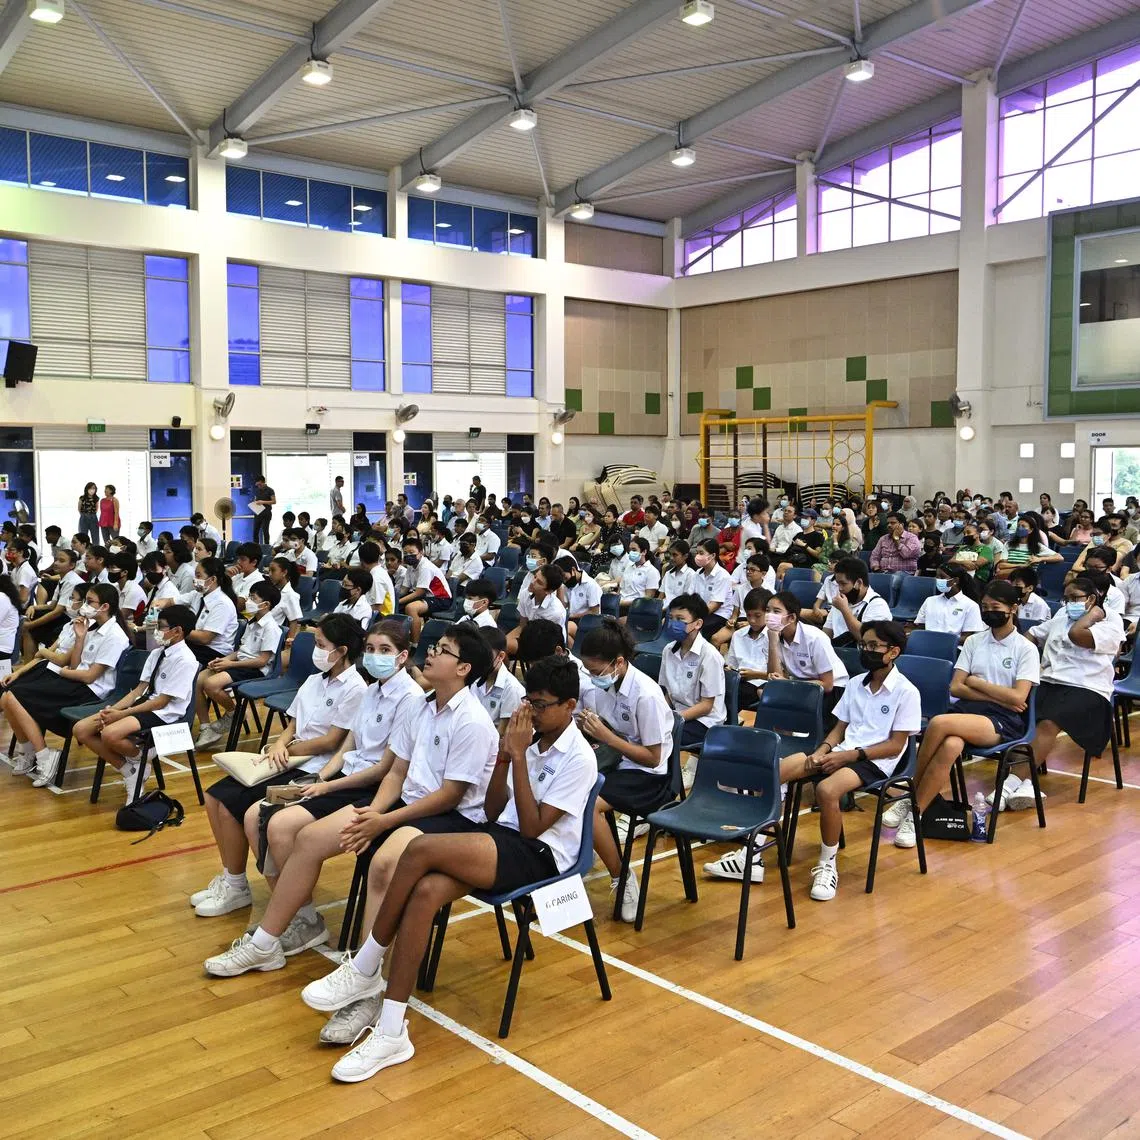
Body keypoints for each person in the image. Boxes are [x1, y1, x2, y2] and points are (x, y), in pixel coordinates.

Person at [317, 655, 595, 1083]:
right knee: (424, 893)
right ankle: (392, 1031)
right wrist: (505, 758)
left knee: (419, 849)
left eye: (541, 705)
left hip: (540, 855)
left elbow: (536, 827)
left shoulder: (578, 755)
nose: (531, 712)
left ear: (569, 705)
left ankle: (366, 964)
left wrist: (517, 757)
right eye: (528, 702)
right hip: (503, 836)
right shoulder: (529, 737)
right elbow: (492, 808)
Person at [200, 621, 429, 990]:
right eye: (370, 649)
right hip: (343, 779)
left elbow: (385, 769)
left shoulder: (410, 699)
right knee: (262, 815)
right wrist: (321, 778)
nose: (374, 656)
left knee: (282, 826)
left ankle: (272, 939)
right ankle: (300, 918)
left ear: (402, 656)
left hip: (371, 789)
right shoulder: (373, 691)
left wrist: (330, 785)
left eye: (384, 650)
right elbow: (347, 748)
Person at [190, 614, 368, 918]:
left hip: (316, 765)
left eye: (321, 644)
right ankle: (234, 882)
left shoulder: (355, 688)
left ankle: (273, 897)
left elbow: (332, 741)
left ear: (341, 651)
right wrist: (278, 744)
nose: (316, 649)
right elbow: (292, 725)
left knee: (240, 806)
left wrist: (288, 751)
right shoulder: (314, 680)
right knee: (215, 797)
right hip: (288, 757)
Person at [887, 580, 1040, 842]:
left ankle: (909, 790)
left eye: (996, 607)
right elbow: (956, 687)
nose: (989, 611)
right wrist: (997, 694)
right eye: (985, 607)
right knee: (950, 746)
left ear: (1013, 608)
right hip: (968, 710)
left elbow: (1018, 697)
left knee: (939, 724)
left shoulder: (1025, 648)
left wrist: (977, 682)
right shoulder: (974, 642)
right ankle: (916, 814)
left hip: (1003, 720)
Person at [783, 621, 920, 901]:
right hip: (843, 750)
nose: (866, 651)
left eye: (873, 646)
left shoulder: (907, 692)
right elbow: (839, 727)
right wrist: (822, 750)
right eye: (864, 645)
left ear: (892, 652)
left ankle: (827, 864)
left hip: (876, 759)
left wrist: (850, 756)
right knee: (784, 768)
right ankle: (755, 851)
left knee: (826, 790)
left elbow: (896, 745)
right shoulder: (857, 683)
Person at [576, 619, 673, 922]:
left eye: (596, 671)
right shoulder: (602, 685)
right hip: (616, 760)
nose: (592, 678)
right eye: (588, 671)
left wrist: (607, 738)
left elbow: (654, 758)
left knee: (587, 806)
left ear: (618, 662)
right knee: (563, 790)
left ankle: (622, 876)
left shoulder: (646, 695)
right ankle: (578, 859)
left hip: (648, 776)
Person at [1, 583, 131, 787]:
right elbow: (76, 663)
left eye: (89, 602)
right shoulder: (92, 627)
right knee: (9, 694)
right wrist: (80, 638)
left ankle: (45, 756)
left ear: (105, 606)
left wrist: (62, 671)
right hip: (74, 678)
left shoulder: (115, 636)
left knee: (16, 695)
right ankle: (30, 751)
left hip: (90, 691)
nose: (84, 606)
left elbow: (90, 677)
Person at [71, 604, 199, 801]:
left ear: (177, 631)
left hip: (165, 713)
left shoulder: (186, 660)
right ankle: (131, 770)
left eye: (161, 627)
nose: (156, 631)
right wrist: (112, 710)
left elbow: (162, 702)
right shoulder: (157, 653)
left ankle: (139, 760)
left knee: (109, 734)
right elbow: (139, 690)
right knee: (81, 729)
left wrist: (122, 715)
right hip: (145, 703)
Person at [1025, 573, 1124, 801]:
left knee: (1049, 721)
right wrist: (1027, 659)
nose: (1069, 603)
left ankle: (1013, 781)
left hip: (1087, 688)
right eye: (1066, 598)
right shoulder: (1061, 614)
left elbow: (1077, 635)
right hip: (1050, 681)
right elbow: (1032, 634)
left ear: (1091, 599)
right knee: (1018, 708)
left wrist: (1094, 614)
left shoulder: (1110, 620)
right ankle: (1022, 782)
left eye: (1075, 598)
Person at [193, 581, 283, 749]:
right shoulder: (251, 623)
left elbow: (262, 661)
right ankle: (206, 727)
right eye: (249, 596)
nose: (248, 600)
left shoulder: (271, 628)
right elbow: (241, 651)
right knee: (198, 680)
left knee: (211, 684)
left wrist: (229, 665)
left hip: (256, 670)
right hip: (240, 664)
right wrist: (225, 660)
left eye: (253, 598)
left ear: (266, 604)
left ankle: (234, 714)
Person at [658, 593, 726, 752]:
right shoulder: (668, 650)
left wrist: (673, 719)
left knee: (663, 738)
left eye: (680, 619)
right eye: (671, 618)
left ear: (697, 624)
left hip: (705, 721)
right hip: (677, 713)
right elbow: (667, 693)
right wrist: (662, 714)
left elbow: (706, 706)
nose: (673, 623)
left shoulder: (709, 655)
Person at [823, 557, 892, 646]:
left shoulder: (877, 605)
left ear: (859, 583)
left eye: (843, 584)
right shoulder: (841, 601)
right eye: (838, 584)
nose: (839, 589)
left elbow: (868, 640)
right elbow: (827, 632)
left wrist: (845, 610)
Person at [186, 556, 240, 666]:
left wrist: (179, 630)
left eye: (198, 576)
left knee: (176, 657)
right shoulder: (199, 595)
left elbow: (205, 638)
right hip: (197, 645)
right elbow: (172, 601)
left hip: (214, 652)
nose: (195, 579)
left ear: (213, 579)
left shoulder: (222, 603)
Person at [398, 535, 452, 643]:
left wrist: (398, 601)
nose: (408, 556)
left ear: (421, 552)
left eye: (412, 552)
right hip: (425, 597)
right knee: (396, 606)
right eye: (406, 553)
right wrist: (394, 598)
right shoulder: (410, 567)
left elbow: (419, 592)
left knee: (411, 608)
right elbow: (404, 589)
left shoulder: (426, 567)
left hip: (441, 599)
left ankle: (415, 643)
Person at [914, 564, 985, 642]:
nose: (937, 579)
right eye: (937, 576)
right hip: (927, 644)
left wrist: (943, 641)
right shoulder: (929, 601)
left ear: (955, 581)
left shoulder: (971, 606)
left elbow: (967, 637)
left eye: (942, 577)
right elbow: (920, 628)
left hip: (952, 648)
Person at [474, 626, 526, 733]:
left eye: (485, 655)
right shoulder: (471, 676)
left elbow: (502, 733)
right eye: (476, 653)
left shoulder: (512, 689)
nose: (478, 659)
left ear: (501, 656)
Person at [691, 537, 734, 640]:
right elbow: (690, 597)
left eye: (701, 553)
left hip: (719, 614)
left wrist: (695, 616)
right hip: (701, 612)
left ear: (713, 555)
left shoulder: (723, 576)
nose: (697, 556)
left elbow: (715, 605)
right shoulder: (697, 573)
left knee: (696, 629)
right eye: (697, 553)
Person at [563, 556, 601, 645]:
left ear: (573, 570)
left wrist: (573, 616)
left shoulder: (591, 585)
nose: (563, 581)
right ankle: (575, 655)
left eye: (564, 577)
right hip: (572, 620)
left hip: (588, 621)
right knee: (561, 633)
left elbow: (594, 611)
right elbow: (563, 606)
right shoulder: (566, 585)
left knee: (564, 628)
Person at [615, 536, 660, 612]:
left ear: (644, 552)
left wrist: (624, 603)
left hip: (635, 608)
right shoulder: (628, 567)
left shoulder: (652, 571)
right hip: (619, 604)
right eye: (630, 550)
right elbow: (620, 589)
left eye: (634, 550)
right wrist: (615, 598)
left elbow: (648, 598)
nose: (631, 552)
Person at [660, 541, 697, 609]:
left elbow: (686, 600)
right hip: (663, 607)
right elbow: (661, 596)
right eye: (670, 554)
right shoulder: (668, 573)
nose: (671, 558)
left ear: (685, 556)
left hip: (678, 609)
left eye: (675, 555)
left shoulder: (690, 574)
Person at [250, 474, 276, 545]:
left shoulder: (270, 490)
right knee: (255, 531)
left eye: (260, 485)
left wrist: (262, 502)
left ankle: (267, 547)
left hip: (266, 514)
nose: (259, 486)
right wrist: (254, 503)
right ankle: (255, 547)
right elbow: (255, 499)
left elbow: (274, 501)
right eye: (257, 485)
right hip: (258, 513)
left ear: (263, 482)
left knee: (265, 531)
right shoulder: (257, 491)